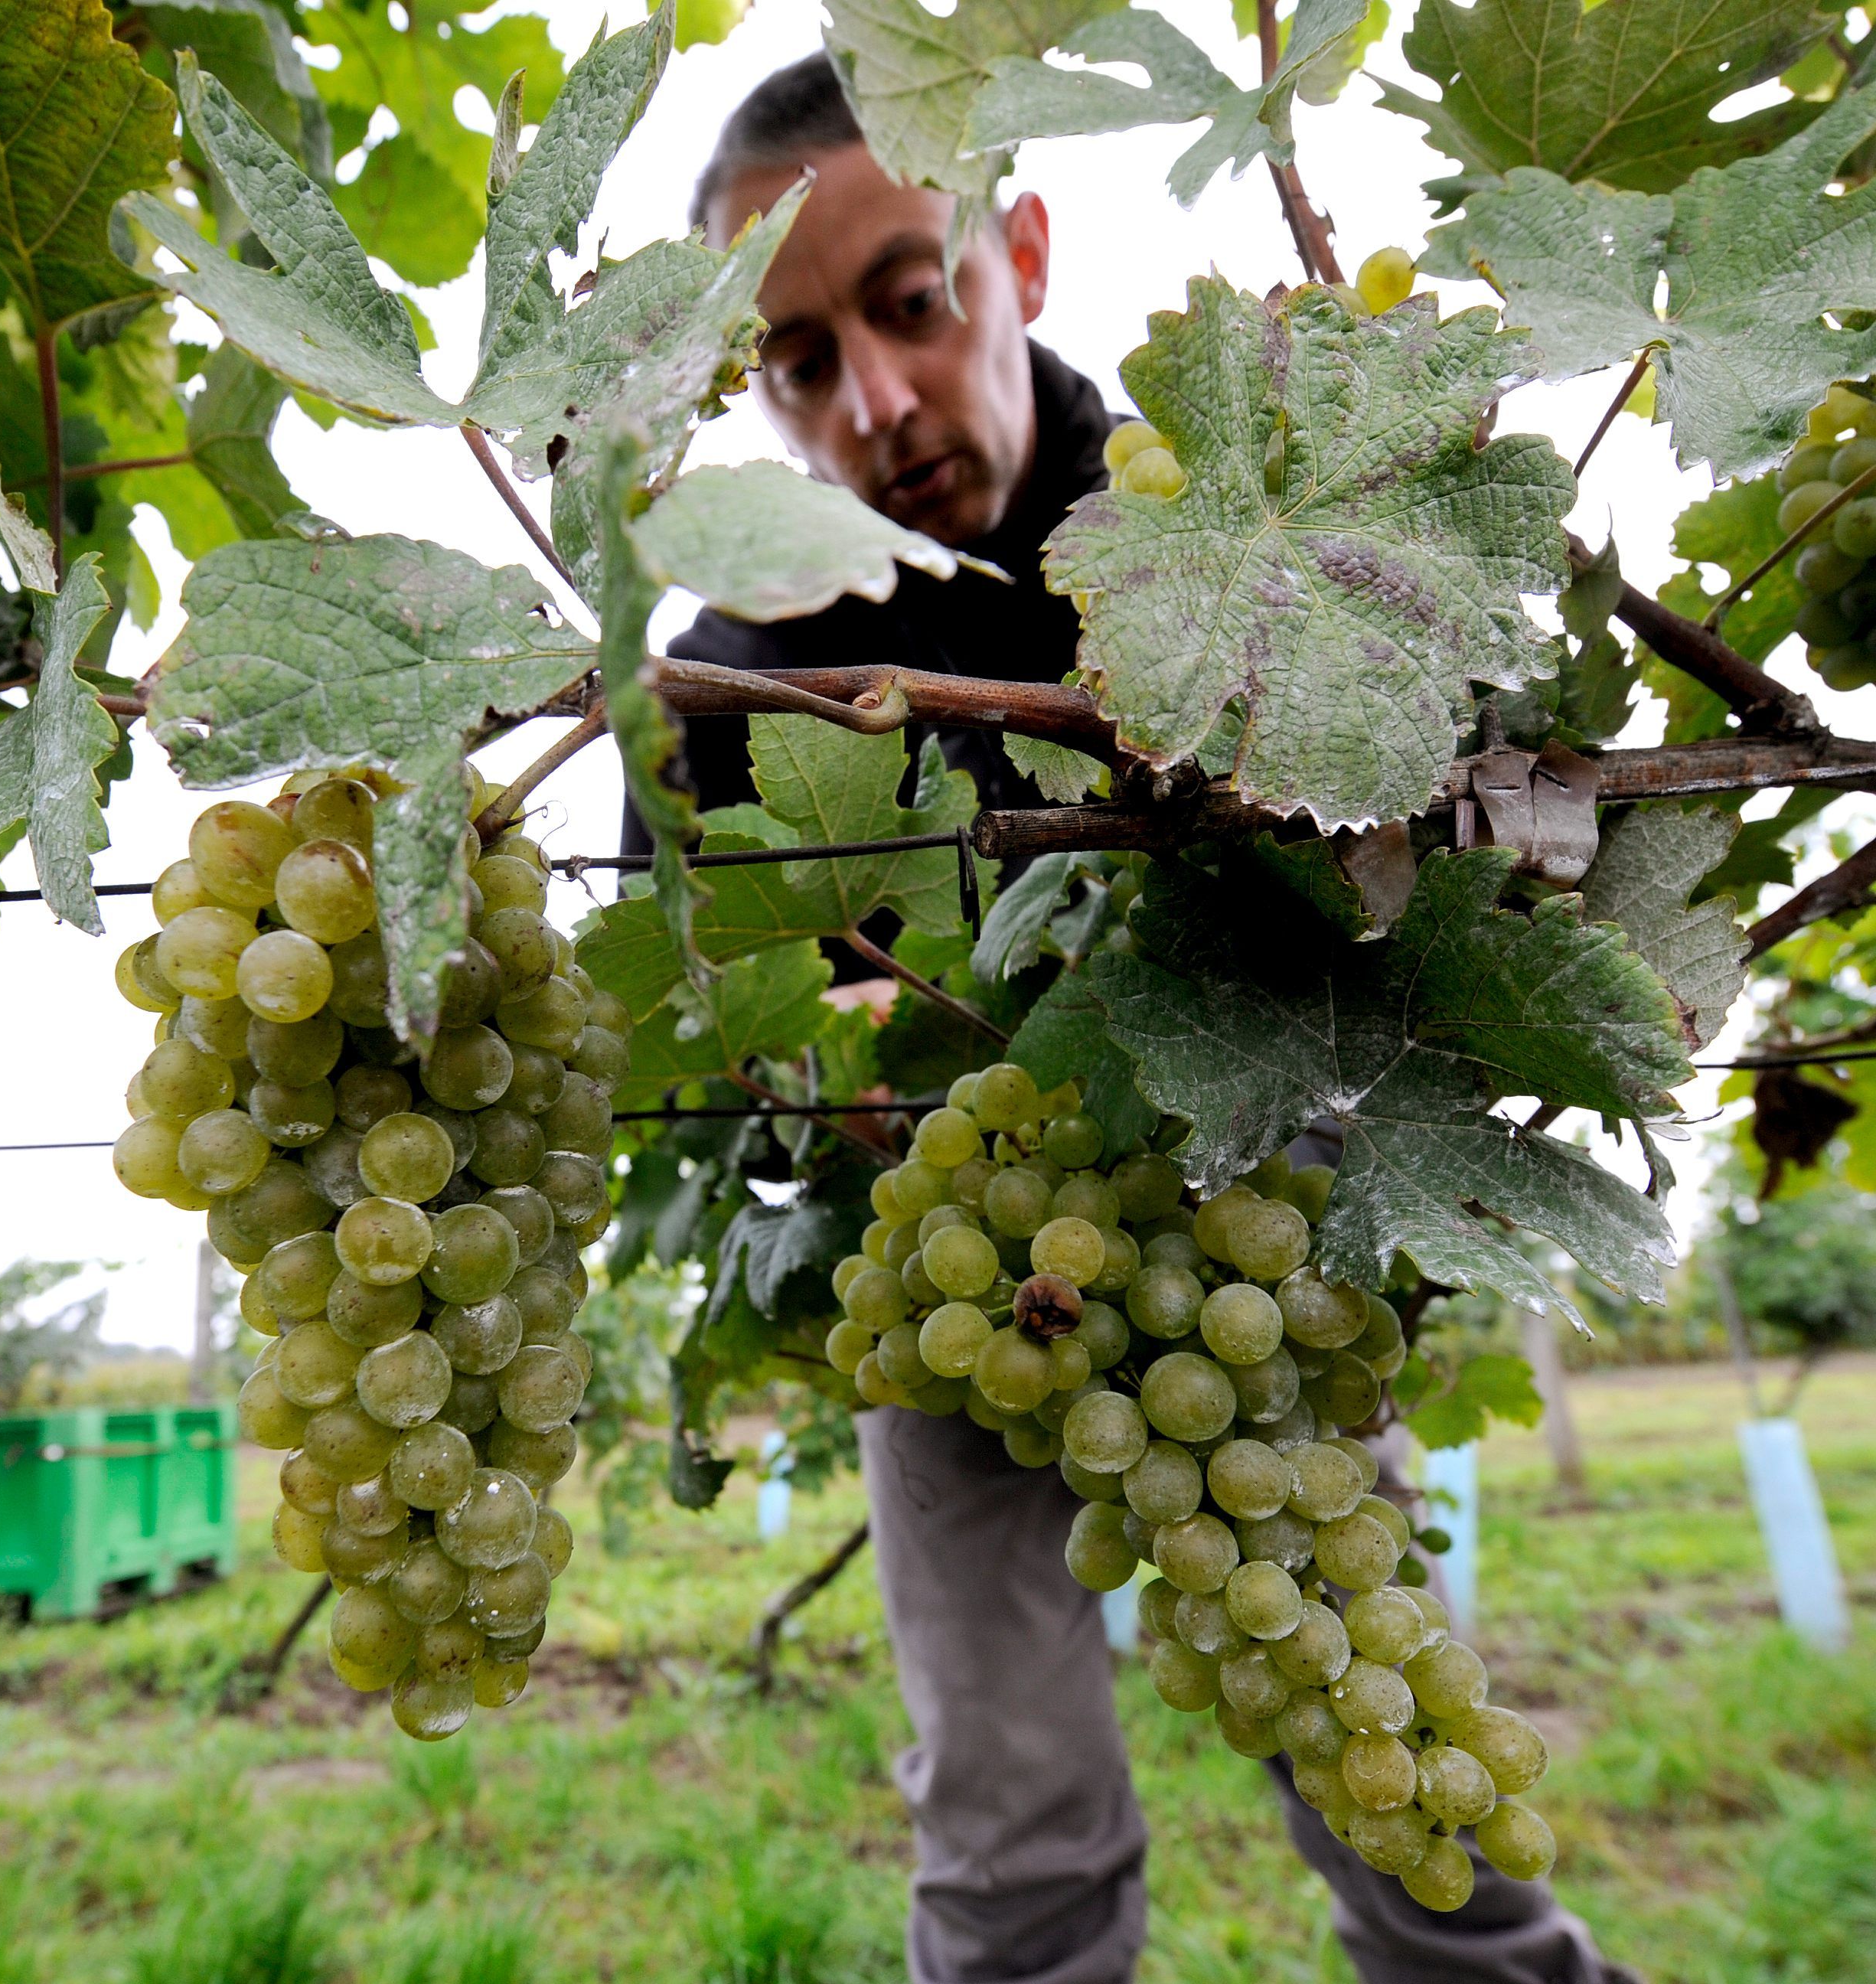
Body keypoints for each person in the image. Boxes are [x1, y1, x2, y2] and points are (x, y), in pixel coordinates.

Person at [625, 53, 1638, 1984]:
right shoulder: (721, 684)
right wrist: (807, 1052)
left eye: (910, 303)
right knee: (1005, 1830)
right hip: (945, 1296)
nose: (877, 397)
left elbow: (1452, 850)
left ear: (1018, 250)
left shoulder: (1255, 534)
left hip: (1252, 1257)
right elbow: (699, 1004)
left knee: (1362, 1711)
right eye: (797, 360)